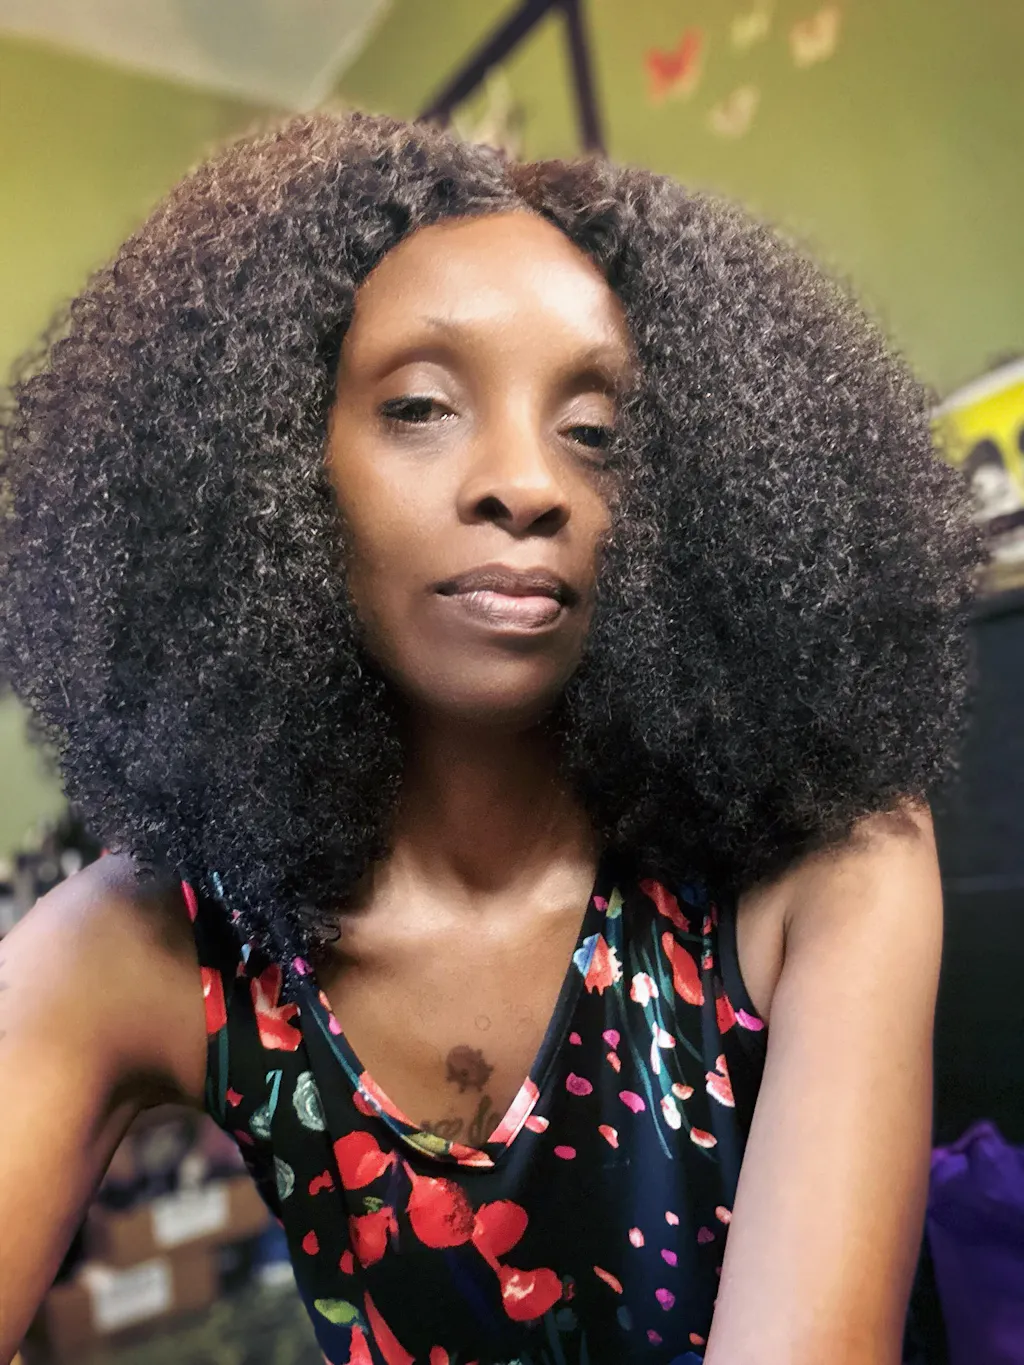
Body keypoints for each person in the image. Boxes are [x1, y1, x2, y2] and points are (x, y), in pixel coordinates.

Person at [0, 113, 979, 1365]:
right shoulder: (138, 945)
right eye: (420, 406)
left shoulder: (833, 854)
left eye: (596, 432)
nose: (527, 483)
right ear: (269, 469)